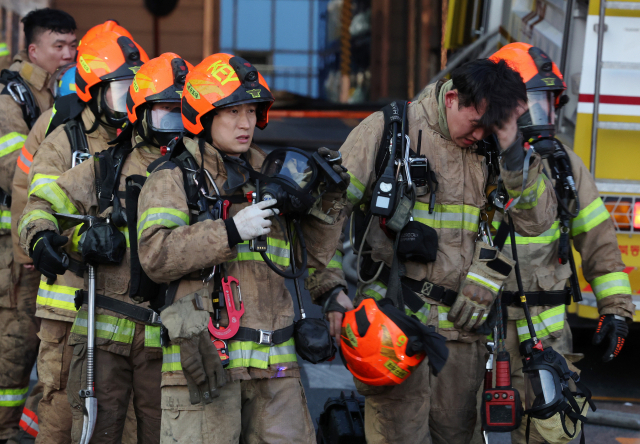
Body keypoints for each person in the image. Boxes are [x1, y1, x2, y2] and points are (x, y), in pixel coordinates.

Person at [306, 58, 559, 444]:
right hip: (391, 327)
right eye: (475, 124)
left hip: (463, 333)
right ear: (452, 97)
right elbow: (327, 211)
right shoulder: (389, 130)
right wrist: (329, 289)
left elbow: (535, 223)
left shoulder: (496, 148)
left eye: (490, 128)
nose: (479, 135)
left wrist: (510, 149)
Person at [136, 53, 347, 443]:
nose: (246, 122)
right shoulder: (172, 178)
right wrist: (229, 231)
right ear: (203, 113)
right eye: (233, 111)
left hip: (275, 371)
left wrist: (327, 203)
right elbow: (155, 255)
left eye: (252, 111)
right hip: (206, 366)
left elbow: (309, 257)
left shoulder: (274, 172)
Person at [20, 51, 188, 444]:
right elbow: (42, 203)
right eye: (165, 113)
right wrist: (44, 237)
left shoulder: (202, 172)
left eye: (181, 112)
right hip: (108, 336)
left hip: (175, 338)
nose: (174, 126)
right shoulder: (108, 165)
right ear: (141, 114)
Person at [484, 42, 635, 444]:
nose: (541, 116)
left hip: (544, 337)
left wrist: (616, 309)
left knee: (552, 435)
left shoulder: (564, 165)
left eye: (548, 103)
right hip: (474, 329)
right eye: (530, 104)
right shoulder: (470, 159)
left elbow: (599, 241)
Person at [0, 8, 76, 443]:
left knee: (52, 344)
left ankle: (30, 427)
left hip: (43, 237)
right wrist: (27, 245)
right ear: (33, 50)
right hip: (14, 248)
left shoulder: (56, 93)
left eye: (72, 46)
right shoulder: (11, 99)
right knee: (16, 346)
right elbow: (15, 171)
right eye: (58, 46)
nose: (67, 55)